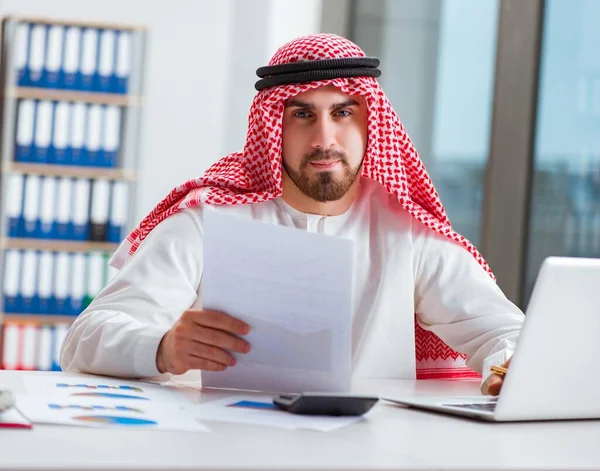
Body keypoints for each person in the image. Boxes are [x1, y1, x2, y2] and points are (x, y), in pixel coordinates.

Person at [60, 34, 524, 395]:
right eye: (302, 115)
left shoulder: (406, 231)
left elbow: (506, 332)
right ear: (273, 125)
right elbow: (86, 338)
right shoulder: (207, 220)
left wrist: (509, 368)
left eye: (343, 112)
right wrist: (163, 348)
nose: (325, 137)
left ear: (371, 121)